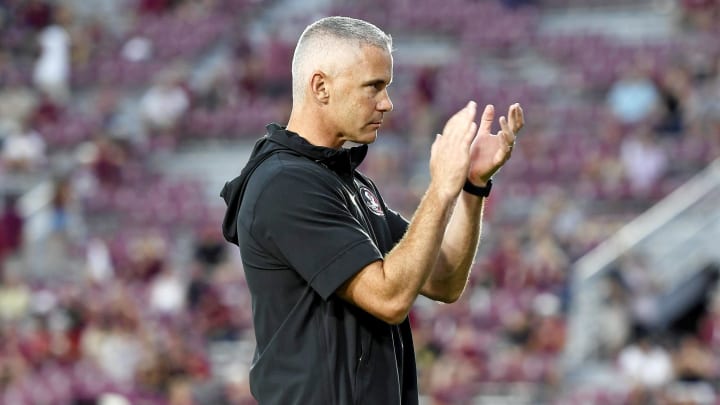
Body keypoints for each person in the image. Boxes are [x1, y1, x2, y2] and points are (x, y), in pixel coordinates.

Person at [220, 16, 523, 404]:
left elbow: (443, 281)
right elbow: (389, 298)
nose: (387, 103)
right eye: (374, 87)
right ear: (321, 87)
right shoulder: (284, 184)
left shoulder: (349, 184)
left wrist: (471, 186)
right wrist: (440, 188)